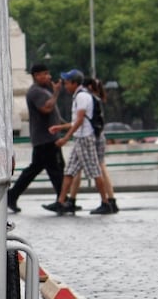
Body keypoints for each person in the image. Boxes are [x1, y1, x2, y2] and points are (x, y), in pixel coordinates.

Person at [41, 69, 114, 216]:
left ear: (75, 83)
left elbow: (80, 121)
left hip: (85, 138)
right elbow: (77, 121)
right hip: (80, 138)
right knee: (69, 171)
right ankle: (61, 202)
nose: (65, 86)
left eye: (67, 83)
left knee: (94, 171)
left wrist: (65, 138)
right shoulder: (80, 96)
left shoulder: (81, 97)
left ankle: (105, 203)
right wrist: (60, 127)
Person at [7, 63, 65, 212]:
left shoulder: (44, 90)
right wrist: (56, 93)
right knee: (55, 170)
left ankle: (12, 196)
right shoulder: (35, 92)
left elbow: (53, 113)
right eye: (44, 74)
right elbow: (46, 109)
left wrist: (67, 125)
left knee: (42, 169)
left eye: (48, 73)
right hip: (45, 139)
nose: (48, 76)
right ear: (36, 76)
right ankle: (62, 200)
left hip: (47, 138)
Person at [66, 78, 118, 213]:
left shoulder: (86, 98)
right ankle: (111, 200)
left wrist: (66, 135)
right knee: (99, 166)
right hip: (98, 135)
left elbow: (80, 119)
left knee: (91, 169)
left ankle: (73, 199)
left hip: (88, 136)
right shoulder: (97, 98)